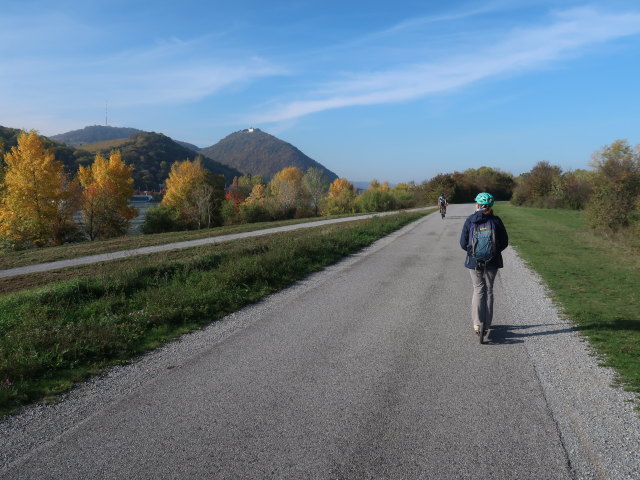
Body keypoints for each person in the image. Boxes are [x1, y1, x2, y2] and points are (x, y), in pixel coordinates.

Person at [459, 192, 508, 336]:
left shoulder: (470, 220)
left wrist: (472, 252)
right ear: (491, 205)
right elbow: (504, 242)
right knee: (489, 290)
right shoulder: (496, 220)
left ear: (477, 205)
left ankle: (476, 324)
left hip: (474, 262)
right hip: (492, 261)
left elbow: (463, 243)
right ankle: (486, 324)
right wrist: (493, 252)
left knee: (478, 289)